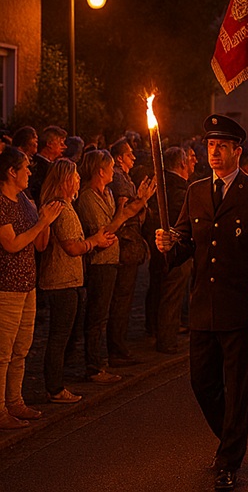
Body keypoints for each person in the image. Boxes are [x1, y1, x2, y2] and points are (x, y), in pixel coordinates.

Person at [157, 115, 248, 492]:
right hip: (204, 306)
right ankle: (230, 437)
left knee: (238, 387)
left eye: (222, 146)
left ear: (237, 152)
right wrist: (167, 246)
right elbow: (185, 243)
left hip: (240, 308)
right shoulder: (195, 192)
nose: (214, 152)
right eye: (210, 146)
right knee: (202, 382)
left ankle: (229, 459)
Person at [38, 158, 115, 405]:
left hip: (66, 278)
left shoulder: (63, 206)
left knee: (63, 333)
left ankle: (57, 382)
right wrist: (94, 242)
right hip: (61, 279)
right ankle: (55, 387)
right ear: (65, 180)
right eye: (75, 177)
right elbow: (72, 246)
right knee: (60, 335)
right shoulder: (62, 208)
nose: (79, 180)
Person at [0, 146, 62, 428]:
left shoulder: (25, 199)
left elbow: (39, 243)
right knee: (3, 352)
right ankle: (1, 409)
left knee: (21, 349)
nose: (30, 171)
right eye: (25, 167)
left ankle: (15, 402)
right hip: (7, 286)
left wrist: (47, 220)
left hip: (28, 284)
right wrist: (42, 223)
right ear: (11, 172)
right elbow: (11, 244)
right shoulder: (2, 203)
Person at [76, 149, 147, 386]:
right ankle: (93, 366)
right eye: (109, 168)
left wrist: (141, 201)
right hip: (99, 263)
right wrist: (118, 216)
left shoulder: (105, 192)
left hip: (111, 259)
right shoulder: (87, 197)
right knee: (96, 316)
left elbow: (120, 218)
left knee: (103, 314)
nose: (112, 173)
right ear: (100, 170)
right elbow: (105, 230)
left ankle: (99, 361)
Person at [146, 146, 193, 354]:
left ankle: (159, 331)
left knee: (161, 291)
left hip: (160, 248)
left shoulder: (163, 185)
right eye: (191, 159)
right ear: (182, 164)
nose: (195, 163)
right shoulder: (179, 190)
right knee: (171, 294)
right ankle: (166, 339)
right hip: (174, 250)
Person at [107, 137, 149, 367]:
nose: (134, 158)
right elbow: (125, 212)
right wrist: (141, 201)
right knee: (121, 300)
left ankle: (118, 346)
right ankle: (117, 348)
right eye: (130, 154)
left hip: (129, 244)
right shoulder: (119, 179)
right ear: (120, 157)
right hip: (124, 244)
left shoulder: (124, 178)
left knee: (124, 299)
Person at [27, 125, 67, 204]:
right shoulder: (37, 168)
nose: (65, 147)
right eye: (61, 144)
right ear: (49, 144)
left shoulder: (47, 166)